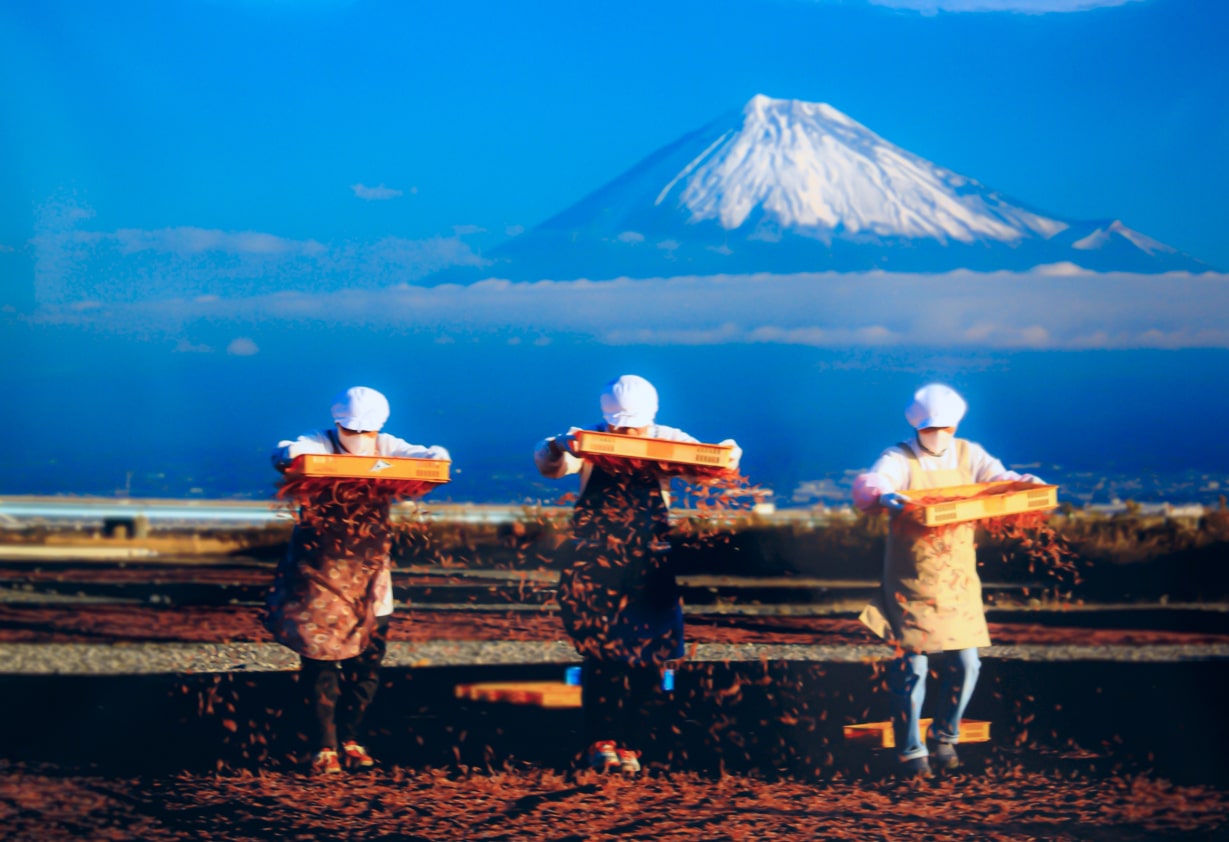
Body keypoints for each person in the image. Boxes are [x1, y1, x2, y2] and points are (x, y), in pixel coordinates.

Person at [535, 374, 741, 775]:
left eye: (634, 423)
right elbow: (549, 466)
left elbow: (706, 466)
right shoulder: (590, 440)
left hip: (651, 561)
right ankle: (601, 741)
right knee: (603, 654)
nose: (627, 431)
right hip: (595, 562)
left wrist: (728, 454)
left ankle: (634, 743)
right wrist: (558, 444)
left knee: (652, 657)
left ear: (651, 416)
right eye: (619, 424)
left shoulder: (668, 438)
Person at [852, 383, 1044, 777]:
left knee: (967, 663)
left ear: (954, 427)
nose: (937, 435)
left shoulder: (969, 454)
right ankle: (910, 749)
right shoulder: (900, 457)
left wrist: (1026, 485)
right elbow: (875, 481)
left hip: (957, 576)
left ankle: (946, 736)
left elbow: (999, 478)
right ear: (917, 427)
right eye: (929, 429)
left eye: (943, 428)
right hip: (911, 578)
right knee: (912, 669)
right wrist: (884, 494)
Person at [265, 386, 449, 774]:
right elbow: (287, 451)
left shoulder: (387, 445)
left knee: (367, 664)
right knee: (321, 663)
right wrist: (291, 455)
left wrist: (436, 457)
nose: (361, 438)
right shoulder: (320, 444)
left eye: (366, 432)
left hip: (370, 579)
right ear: (337, 424)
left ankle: (351, 738)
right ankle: (323, 746)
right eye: (353, 430)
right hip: (321, 578)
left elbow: (424, 457)